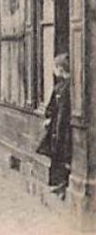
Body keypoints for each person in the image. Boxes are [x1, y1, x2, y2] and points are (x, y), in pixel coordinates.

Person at [37, 54, 74, 197]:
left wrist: (55, 130)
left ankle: (61, 185)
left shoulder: (64, 88)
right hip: (59, 128)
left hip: (62, 130)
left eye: (55, 67)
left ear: (60, 69)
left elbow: (61, 114)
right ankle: (60, 185)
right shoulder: (62, 86)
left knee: (61, 155)